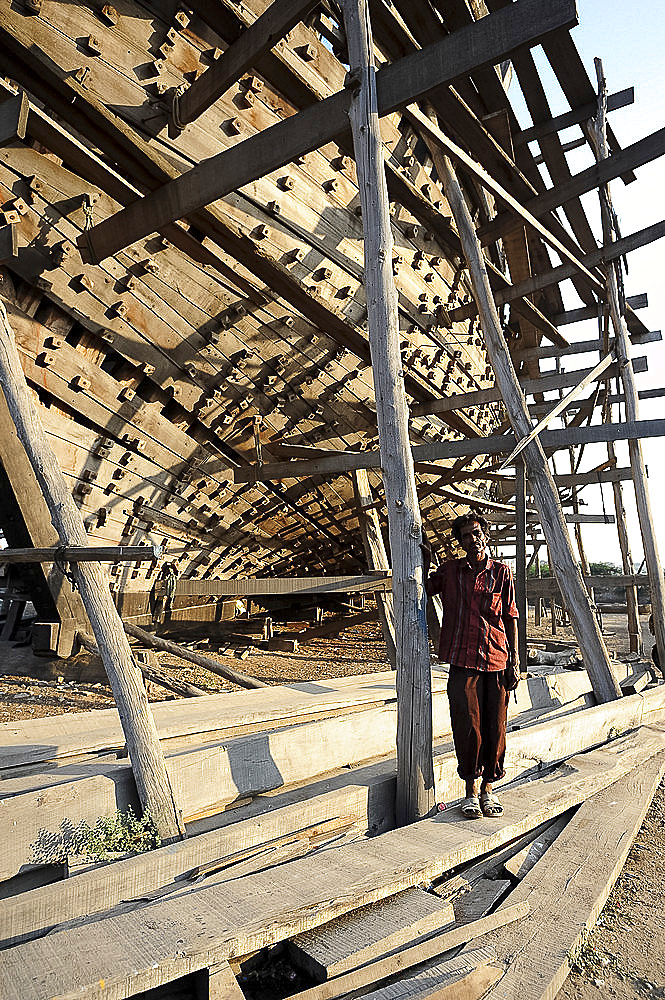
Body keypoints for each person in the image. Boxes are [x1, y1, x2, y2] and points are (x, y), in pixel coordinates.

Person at [424, 513, 519, 819]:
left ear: (485, 536)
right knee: (467, 727)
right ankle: (469, 790)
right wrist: (423, 559)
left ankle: (489, 790)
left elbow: (510, 616)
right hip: (462, 661)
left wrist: (515, 659)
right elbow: (425, 587)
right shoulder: (451, 571)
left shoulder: (502, 573)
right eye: (465, 536)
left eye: (476, 533)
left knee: (496, 727)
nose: (472, 539)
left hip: (496, 659)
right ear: (460, 542)